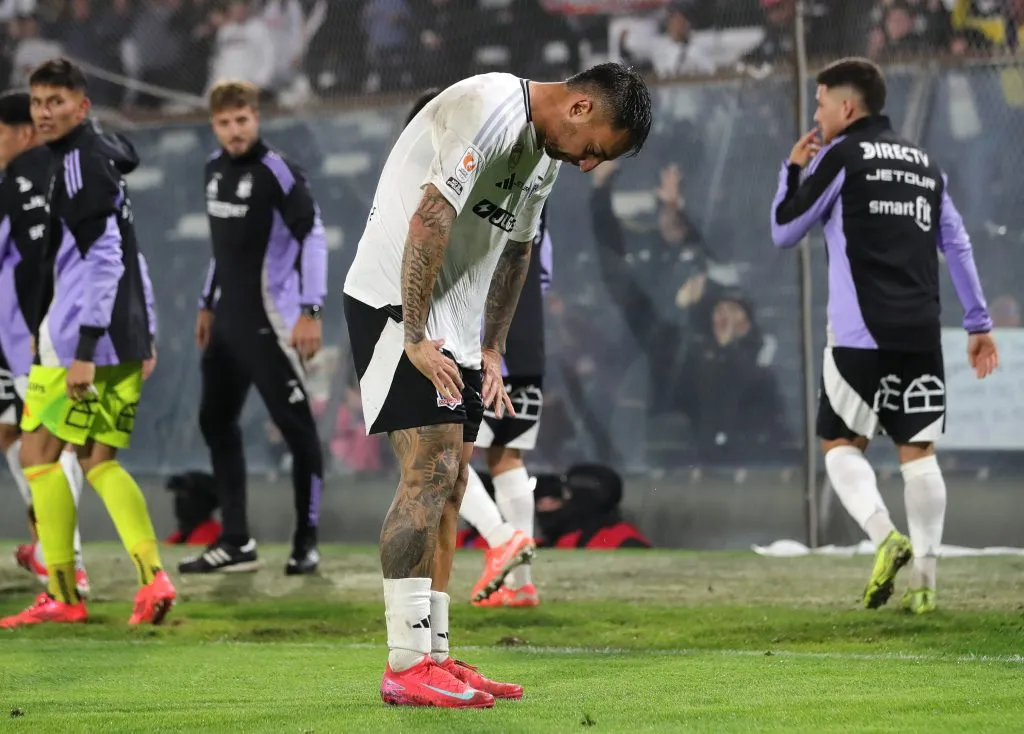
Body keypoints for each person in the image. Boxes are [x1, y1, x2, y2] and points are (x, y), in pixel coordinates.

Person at [343, 63, 651, 708]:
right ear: (580, 106)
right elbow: (431, 214)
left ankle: (435, 655)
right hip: (395, 306)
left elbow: (516, 252)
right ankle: (404, 664)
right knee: (428, 470)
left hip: (450, 320)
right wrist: (415, 335)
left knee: (453, 482)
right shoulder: (490, 106)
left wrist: (491, 348)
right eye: (595, 148)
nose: (590, 165)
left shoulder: (543, 160)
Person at [770, 57, 998, 615]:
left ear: (847, 106)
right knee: (918, 453)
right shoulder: (925, 164)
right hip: (921, 330)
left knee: (840, 445)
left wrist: (793, 170)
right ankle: (926, 583)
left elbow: (784, 229)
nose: (816, 115)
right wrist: (978, 323)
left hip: (857, 334)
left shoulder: (841, 156)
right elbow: (959, 246)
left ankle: (883, 536)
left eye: (820, 103)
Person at [1, 58, 175, 628]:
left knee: (37, 454)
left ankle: (62, 595)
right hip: (119, 333)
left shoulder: (78, 165)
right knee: (98, 459)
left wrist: (82, 349)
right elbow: (128, 249)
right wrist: (141, 330)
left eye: (57, 101)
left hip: (80, 337)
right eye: (38, 102)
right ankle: (153, 579)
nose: (45, 112)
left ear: (83, 105)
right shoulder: (97, 157)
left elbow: (102, 260)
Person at [401, 88, 547, 610]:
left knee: (447, 465)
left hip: (475, 334)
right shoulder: (528, 172)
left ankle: (500, 538)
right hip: (526, 337)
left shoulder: (467, 180)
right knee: (507, 456)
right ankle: (521, 582)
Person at [180, 79, 327, 576]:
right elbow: (224, 251)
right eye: (224, 122)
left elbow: (313, 237)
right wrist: (205, 303)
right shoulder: (212, 170)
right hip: (225, 324)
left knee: (297, 431)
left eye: (242, 120)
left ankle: (306, 541)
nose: (234, 130)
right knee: (214, 422)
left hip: (271, 322)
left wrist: (311, 310)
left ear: (256, 118)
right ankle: (236, 542)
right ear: (213, 125)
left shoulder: (279, 171)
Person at [0, 91, 92, 598]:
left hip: (32, 340)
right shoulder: (32, 180)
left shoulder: (33, 181)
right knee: (18, 441)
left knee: (52, 449)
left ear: (26, 133)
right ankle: (48, 548)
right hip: (20, 336)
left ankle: (66, 560)